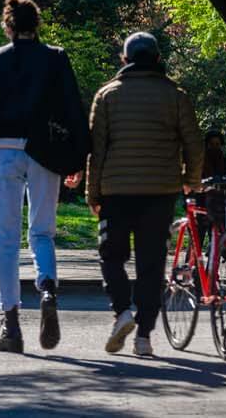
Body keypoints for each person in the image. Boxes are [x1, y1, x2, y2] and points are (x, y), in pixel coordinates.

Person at [0, 0, 87, 354]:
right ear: (38, 25)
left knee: (5, 238)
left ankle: (11, 324)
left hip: (4, 150)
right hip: (44, 151)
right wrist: (76, 158)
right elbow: (72, 109)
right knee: (42, 230)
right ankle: (47, 287)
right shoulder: (56, 58)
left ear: (8, 26)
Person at [86, 31, 204, 358]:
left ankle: (122, 312)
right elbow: (194, 143)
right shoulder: (175, 95)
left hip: (116, 191)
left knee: (111, 256)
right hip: (160, 191)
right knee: (151, 265)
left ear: (124, 59)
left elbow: (96, 151)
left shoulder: (107, 95)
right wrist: (189, 180)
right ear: (158, 59)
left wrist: (92, 194)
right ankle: (144, 338)